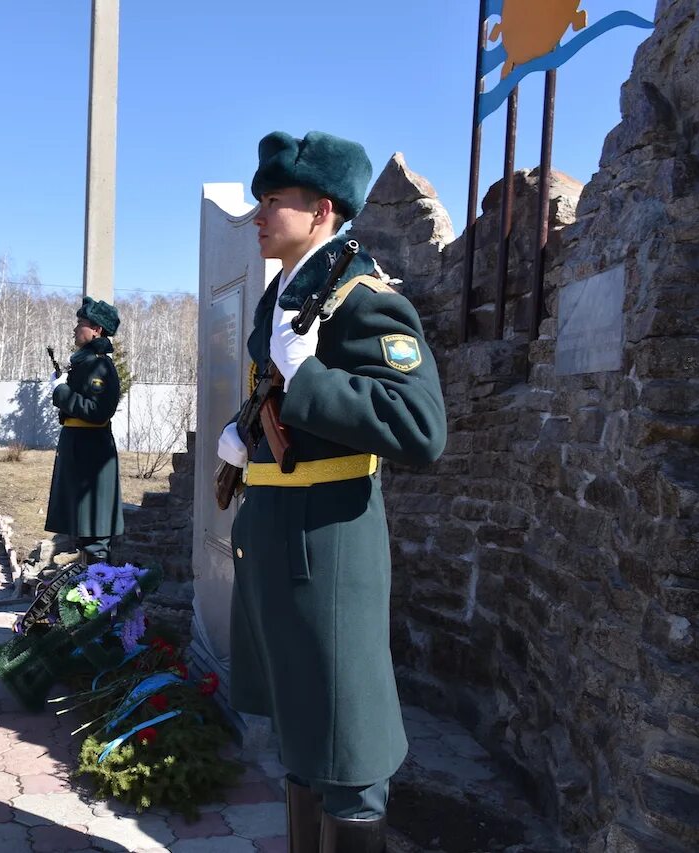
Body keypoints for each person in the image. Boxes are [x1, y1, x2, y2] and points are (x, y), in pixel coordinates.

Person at [216, 131, 447, 851]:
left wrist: (312, 379)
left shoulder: (359, 298)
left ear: (321, 210)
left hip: (329, 547)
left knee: (349, 751)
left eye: (273, 201)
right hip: (279, 535)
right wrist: (243, 430)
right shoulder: (286, 295)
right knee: (302, 735)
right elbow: (280, 397)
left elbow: (419, 426)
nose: (259, 215)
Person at [44, 297, 124, 564]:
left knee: (94, 533)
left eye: (81, 323)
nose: (75, 328)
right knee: (83, 528)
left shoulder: (100, 365)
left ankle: (98, 597)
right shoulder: (85, 363)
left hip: (91, 455)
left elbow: (97, 411)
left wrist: (61, 392)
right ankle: (86, 593)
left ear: (97, 330)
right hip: (80, 451)